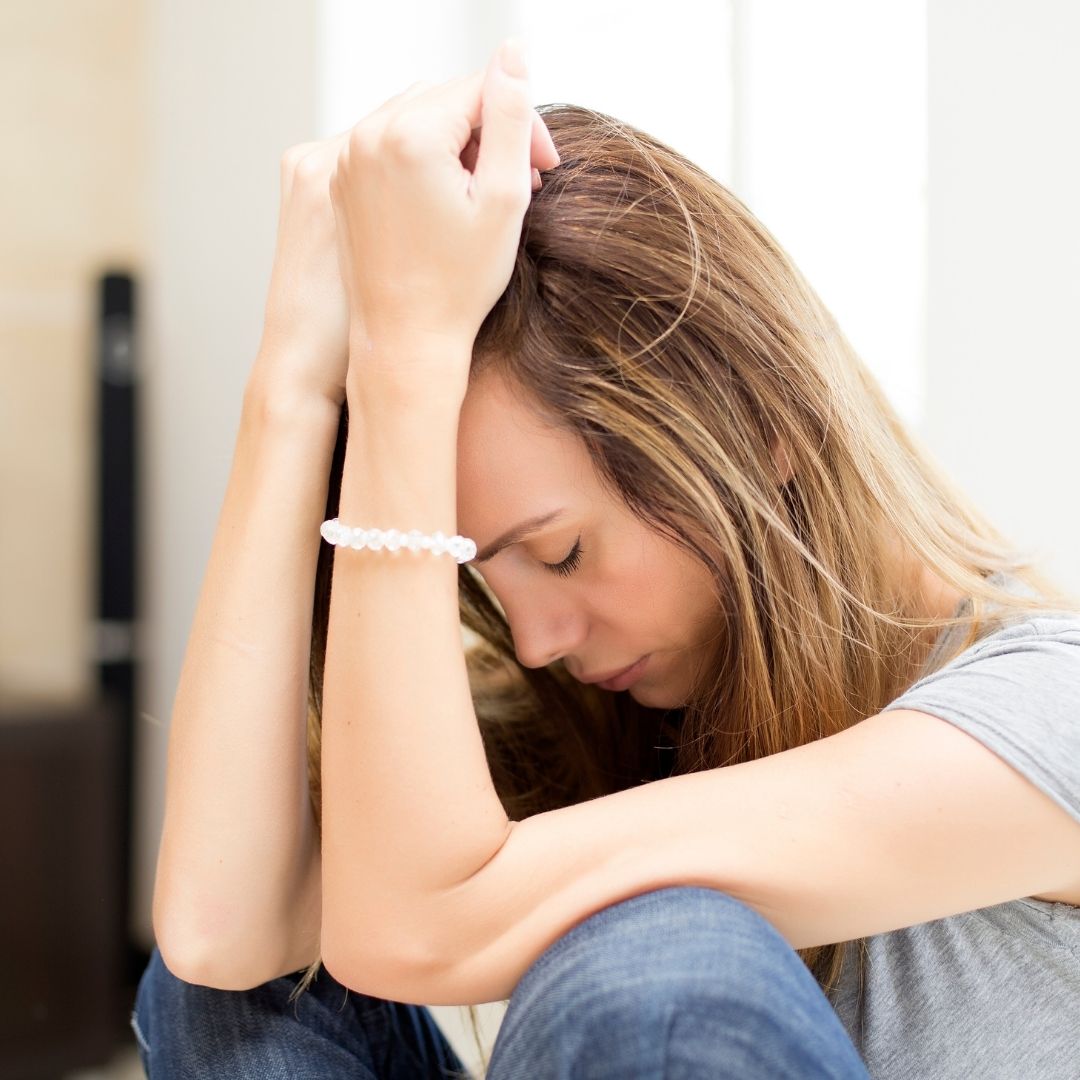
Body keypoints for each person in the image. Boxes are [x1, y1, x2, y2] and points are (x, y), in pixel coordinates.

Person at [132, 39, 1080, 1080]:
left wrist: (403, 359)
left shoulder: (1050, 705)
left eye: (561, 551)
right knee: (241, 981)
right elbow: (222, 934)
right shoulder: (628, 724)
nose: (534, 642)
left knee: (658, 959)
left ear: (762, 427)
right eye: (486, 577)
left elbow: (416, 927)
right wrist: (293, 384)